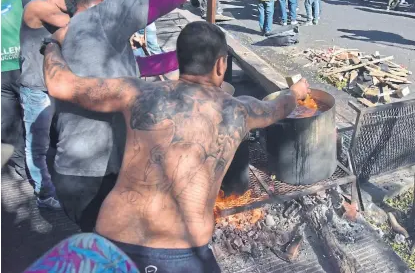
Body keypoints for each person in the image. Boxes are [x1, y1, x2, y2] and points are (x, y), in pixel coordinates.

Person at [42, 19, 310, 272]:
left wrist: (51, 45)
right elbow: (278, 107)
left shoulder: (136, 92)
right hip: (180, 252)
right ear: (220, 65)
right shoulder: (240, 110)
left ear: (181, 60)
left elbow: (61, 84)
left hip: (111, 242)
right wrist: (296, 92)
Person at [46, 0, 221, 233]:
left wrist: (185, 60)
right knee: (115, 245)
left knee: (97, 242)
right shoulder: (103, 14)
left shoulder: (74, 34)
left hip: (70, 171)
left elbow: (133, 68)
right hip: (96, 171)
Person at [19, 0, 73, 209]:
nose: (71, 0)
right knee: (37, 146)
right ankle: (44, 193)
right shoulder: (36, 7)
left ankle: (60, 186)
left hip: (56, 88)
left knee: (61, 141)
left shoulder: (59, 10)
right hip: (36, 90)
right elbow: (72, 23)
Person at [1, 0, 29, 179]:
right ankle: (41, 165)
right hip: (21, 63)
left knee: (9, 120)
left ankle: (20, 167)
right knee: (38, 112)